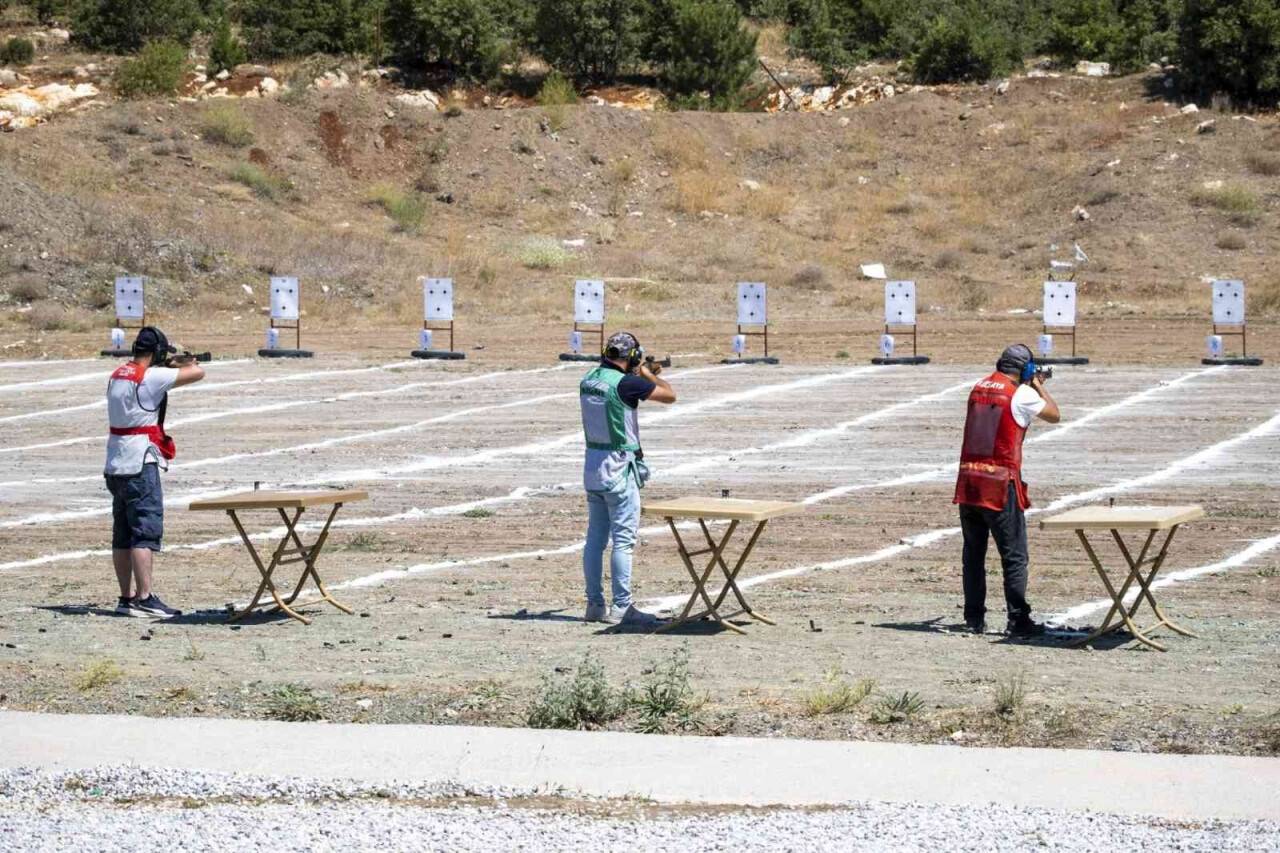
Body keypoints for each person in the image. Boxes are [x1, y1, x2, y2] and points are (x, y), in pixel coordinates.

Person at [953, 343, 1060, 637]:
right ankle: (1018, 619)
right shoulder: (1022, 393)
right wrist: (1039, 387)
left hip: (969, 480)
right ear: (1025, 370)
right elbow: (1054, 414)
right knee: (1014, 555)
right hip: (999, 484)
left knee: (973, 554)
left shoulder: (978, 387)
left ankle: (973, 619)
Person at [105, 326, 204, 619]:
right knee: (144, 533)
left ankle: (126, 599)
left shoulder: (117, 375)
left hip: (115, 461)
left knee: (122, 534)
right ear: (158, 353)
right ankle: (146, 597)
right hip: (140, 462)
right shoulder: (153, 377)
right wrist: (182, 363)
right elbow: (197, 373)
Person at [579, 332, 676, 626]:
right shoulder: (629, 383)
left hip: (593, 465)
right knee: (623, 541)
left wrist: (637, 373)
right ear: (631, 357)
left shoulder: (588, 379)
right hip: (620, 468)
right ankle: (622, 607)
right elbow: (670, 395)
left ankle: (595, 604)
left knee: (595, 541)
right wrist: (647, 373)